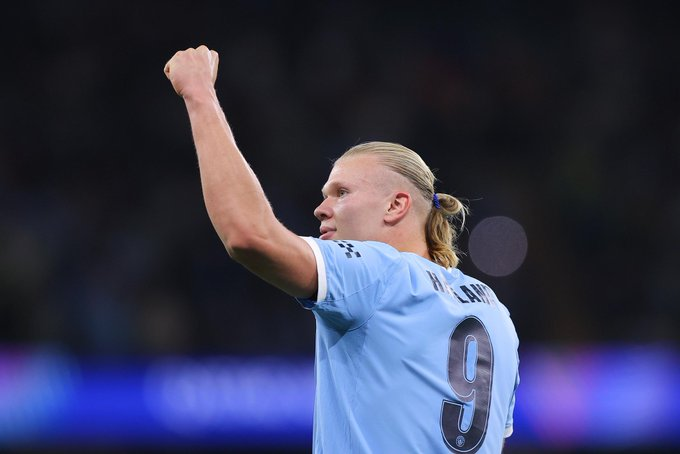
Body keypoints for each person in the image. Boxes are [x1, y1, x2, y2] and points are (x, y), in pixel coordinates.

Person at [164, 45, 520, 454]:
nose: (321, 208)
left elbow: (249, 235)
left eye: (341, 192)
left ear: (396, 205)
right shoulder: (495, 312)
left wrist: (199, 94)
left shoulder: (380, 273)